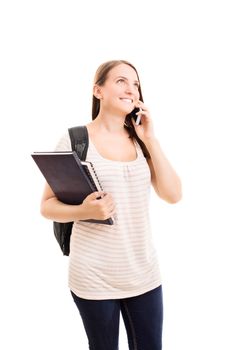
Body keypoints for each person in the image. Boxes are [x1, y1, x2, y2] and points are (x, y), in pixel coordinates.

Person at [40, 59, 182, 350]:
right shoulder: (75, 139)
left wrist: (151, 140)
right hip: (93, 276)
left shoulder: (142, 140)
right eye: (121, 81)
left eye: (135, 84)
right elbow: (47, 206)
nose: (131, 89)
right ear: (98, 90)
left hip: (143, 272)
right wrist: (85, 211)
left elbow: (173, 194)